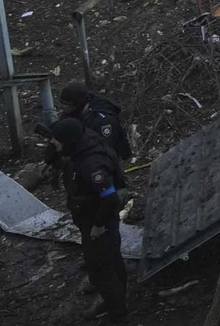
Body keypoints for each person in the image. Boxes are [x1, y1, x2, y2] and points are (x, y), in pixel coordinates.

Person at [47, 115, 128, 322]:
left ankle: (118, 314)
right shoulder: (84, 144)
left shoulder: (92, 164)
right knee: (113, 259)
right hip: (92, 217)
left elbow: (109, 198)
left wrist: (98, 225)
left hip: (98, 220)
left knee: (100, 270)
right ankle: (119, 299)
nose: (53, 143)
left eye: (57, 140)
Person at [58, 83, 133, 164]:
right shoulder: (70, 112)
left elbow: (106, 151)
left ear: (77, 105)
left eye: (64, 104)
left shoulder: (103, 120)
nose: (60, 106)